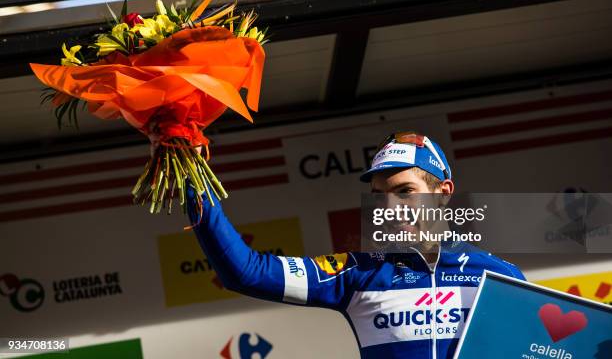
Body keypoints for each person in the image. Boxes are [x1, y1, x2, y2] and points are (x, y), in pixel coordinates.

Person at [186, 132, 525, 359]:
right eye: (379, 197)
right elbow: (245, 272)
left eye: (405, 191)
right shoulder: (358, 272)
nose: (390, 209)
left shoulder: (499, 276)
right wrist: (193, 175)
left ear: (444, 192)